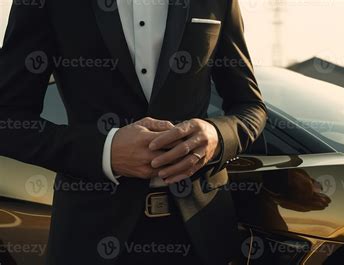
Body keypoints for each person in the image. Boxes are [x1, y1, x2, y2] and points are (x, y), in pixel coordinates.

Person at [0, 0, 267, 264]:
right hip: (91, 236)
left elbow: (251, 106)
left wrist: (216, 136)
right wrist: (105, 151)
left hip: (204, 235)